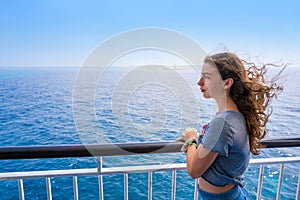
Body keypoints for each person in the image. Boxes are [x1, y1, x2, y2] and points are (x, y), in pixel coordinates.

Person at [177, 52, 283, 200]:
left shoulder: (223, 123)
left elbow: (194, 170)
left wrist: (191, 140)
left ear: (227, 83)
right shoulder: (237, 116)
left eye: (207, 77)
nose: (199, 82)